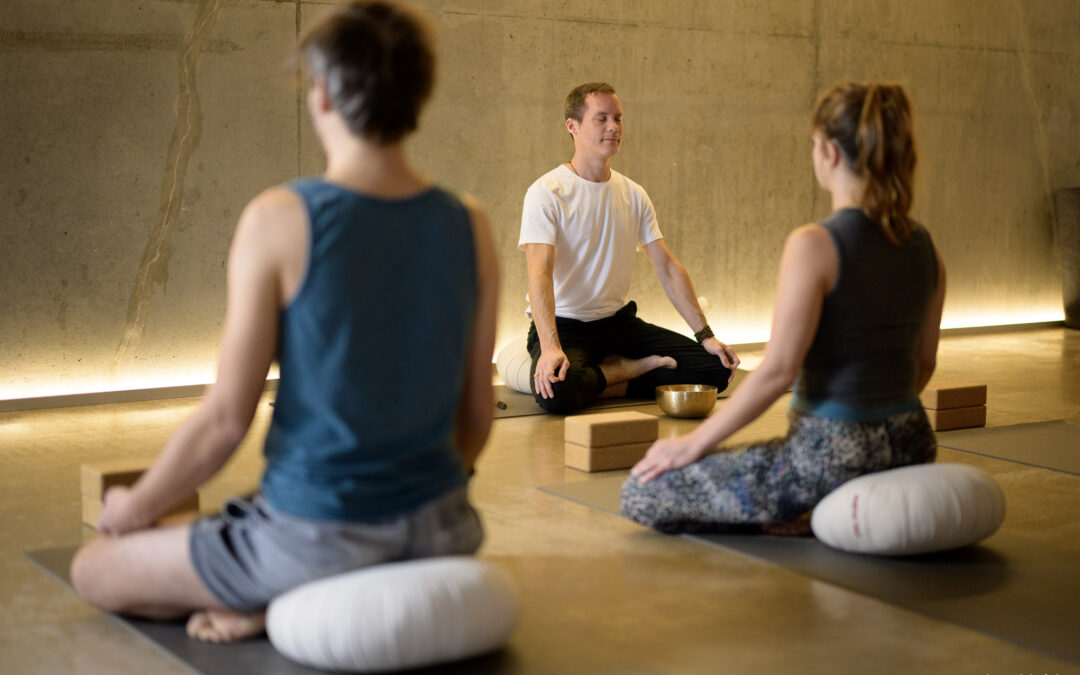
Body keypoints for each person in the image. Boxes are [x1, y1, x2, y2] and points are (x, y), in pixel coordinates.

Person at [70, 1, 498, 643]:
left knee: (93, 568)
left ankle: (281, 596)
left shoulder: (279, 217)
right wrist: (408, 501)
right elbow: (476, 414)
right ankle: (289, 589)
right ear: (418, 93)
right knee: (237, 520)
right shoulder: (471, 223)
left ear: (322, 93)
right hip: (444, 527)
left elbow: (223, 423)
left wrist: (133, 507)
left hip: (315, 538)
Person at [621, 82, 945, 534]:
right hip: (913, 443)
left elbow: (777, 372)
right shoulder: (925, 246)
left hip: (828, 457)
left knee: (641, 491)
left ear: (830, 153)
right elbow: (924, 363)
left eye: (814, 145)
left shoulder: (814, 244)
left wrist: (690, 444)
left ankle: (808, 507)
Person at [519, 82, 740, 415]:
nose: (614, 127)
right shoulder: (546, 192)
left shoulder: (633, 194)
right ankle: (619, 371)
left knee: (716, 370)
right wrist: (550, 347)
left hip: (617, 325)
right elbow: (539, 271)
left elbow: (666, 266)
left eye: (619, 118)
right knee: (558, 393)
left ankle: (605, 380)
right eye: (602, 118)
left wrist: (706, 335)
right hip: (565, 326)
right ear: (572, 126)